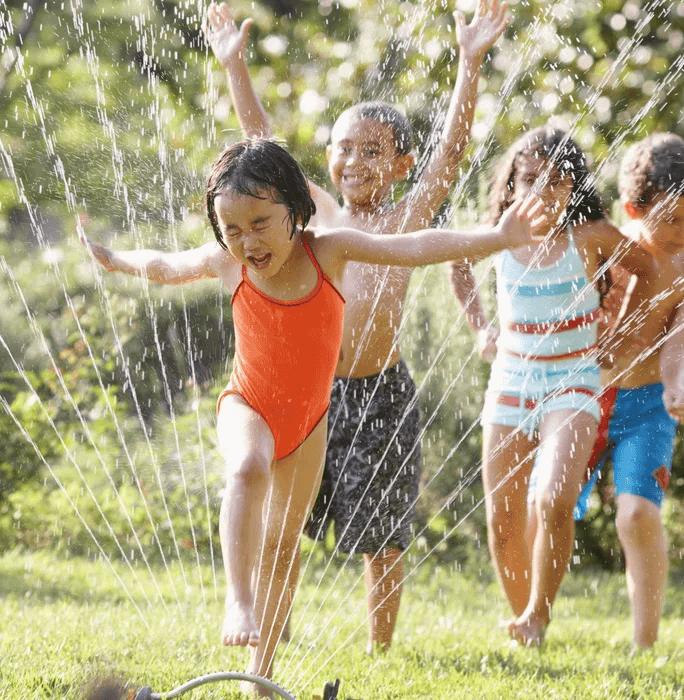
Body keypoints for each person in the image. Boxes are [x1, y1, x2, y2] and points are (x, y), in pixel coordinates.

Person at [85, 138, 545, 691]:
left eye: (259, 223)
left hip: (308, 423)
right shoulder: (228, 263)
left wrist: (496, 237)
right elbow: (163, 265)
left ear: (296, 209)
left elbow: (416, 245)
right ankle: (238, 600)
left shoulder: (328, 249)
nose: (247, 242)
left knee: (283, 545)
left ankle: (261, 672)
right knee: (248, 468)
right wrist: (116, 260)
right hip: (247, 405)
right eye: (232, 229)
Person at [205, 0, 512, 654]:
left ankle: (379, 647)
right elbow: (259, 142)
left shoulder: (404, 217)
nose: (353, 161)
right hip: (303, 395)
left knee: (383, 529)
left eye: (372, 150)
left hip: (379, 390)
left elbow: (451, 153)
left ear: (400, 163)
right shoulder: (310, 216)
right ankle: (269, 629)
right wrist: (235, 65)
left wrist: (469, 61)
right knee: (280, 526)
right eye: (343, 148)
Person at [448, 126, 657, 647]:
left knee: (554, 500)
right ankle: (525, 624)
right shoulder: (498, 235)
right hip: (512, 380)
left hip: (573, 382)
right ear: (512, 184)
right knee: (502, 516)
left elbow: (648, 270)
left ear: (574, 187)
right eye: (530, 180)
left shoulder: (591, 238)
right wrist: (480, 327)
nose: (543, 193)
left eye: (557, 182)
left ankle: (540, 612)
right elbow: (456, 261)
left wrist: (622, 332)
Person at [575, 133, 684, 650]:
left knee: (637, 514)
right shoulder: (606, 251)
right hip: (585, 397)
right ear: (634, 207)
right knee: (552, 505)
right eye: (673, 219)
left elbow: (680, 342)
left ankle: (644, 643)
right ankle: (533, 616)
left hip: (648, 404)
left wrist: (677, 387)